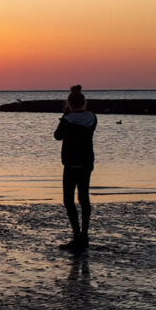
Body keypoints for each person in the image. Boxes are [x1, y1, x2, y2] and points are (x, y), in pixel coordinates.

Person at [54, 84, 97, 251]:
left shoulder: (67, 121)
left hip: (71, 163)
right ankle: (84, 236)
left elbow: (57, 136)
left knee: (68, 200)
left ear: (70, 104)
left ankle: (76, 235)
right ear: (84, 103)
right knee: (84, 198)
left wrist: (65, 115)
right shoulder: (92, 118)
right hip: (87, 162)